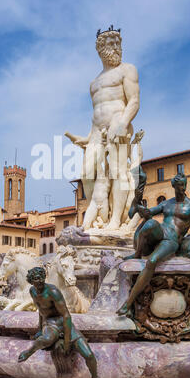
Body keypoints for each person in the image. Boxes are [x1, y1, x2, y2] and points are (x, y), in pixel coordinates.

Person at [65, 26, 140, 230]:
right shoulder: (94, 83)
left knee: (117, 172)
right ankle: (98, 214)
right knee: (87, 173)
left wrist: (123, 124)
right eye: (111, 43)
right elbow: (97, 113)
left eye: (118, 43)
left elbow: (134, 100)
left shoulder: (127, 70)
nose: (116, 47)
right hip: (97, 131)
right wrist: (87, 137)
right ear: (100, 49)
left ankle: (115, 220)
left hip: (119, 124)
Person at [117, 173, 190, 317]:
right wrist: (140, 205)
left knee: (152, 261)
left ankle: (128, 302)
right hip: (161, 231)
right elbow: (149, 213)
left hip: (172, 240)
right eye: (179, 186)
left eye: (183, 185)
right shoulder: (166, 203)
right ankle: (137, 253)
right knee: (150, 223)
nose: (182, 188)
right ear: (174, 186)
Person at [18, 267, 106, 378]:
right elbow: (41, 310)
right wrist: (39, 329)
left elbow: (66, 316)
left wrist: (67, 341)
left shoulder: (53, 291)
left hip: (63, 322)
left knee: (89, 355)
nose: (40, 281)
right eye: (36, 279)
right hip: (50, 323)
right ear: (31, 280)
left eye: (42, 278)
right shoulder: (32, 291)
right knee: (46, 339)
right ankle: (28, 353)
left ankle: (95, 377)